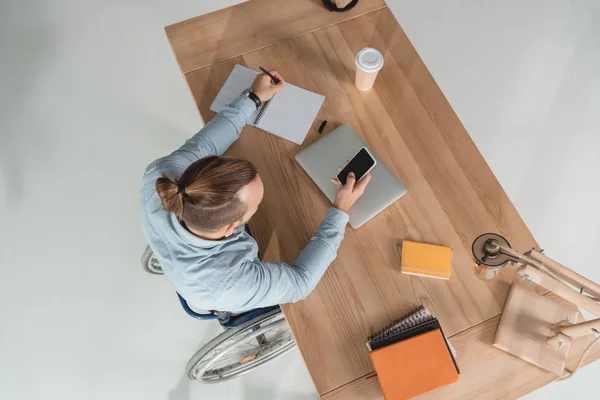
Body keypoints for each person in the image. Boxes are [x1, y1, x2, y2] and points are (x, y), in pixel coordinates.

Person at [140, 70, 371, 313]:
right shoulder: (228, 285)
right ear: (232, 228)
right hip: (215, 294)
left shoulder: (162, 175)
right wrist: (339, 210)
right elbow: (300, 283)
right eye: (256, 206)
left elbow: (206, 144)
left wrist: (253, 98)